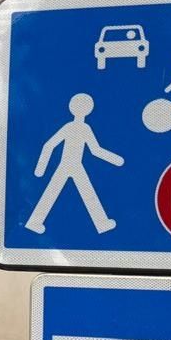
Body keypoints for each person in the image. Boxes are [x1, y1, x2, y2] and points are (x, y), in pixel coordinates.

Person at [26, 93, 124, 235]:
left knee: (73, 191)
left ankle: (35, 222)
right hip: (69, 164)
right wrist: (40, 168)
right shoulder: (79, 128)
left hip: (72, 165)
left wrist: (114, 159)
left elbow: (50, 145)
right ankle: (102, 223)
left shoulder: (76, 127)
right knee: (78, 191)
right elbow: (51, 145)